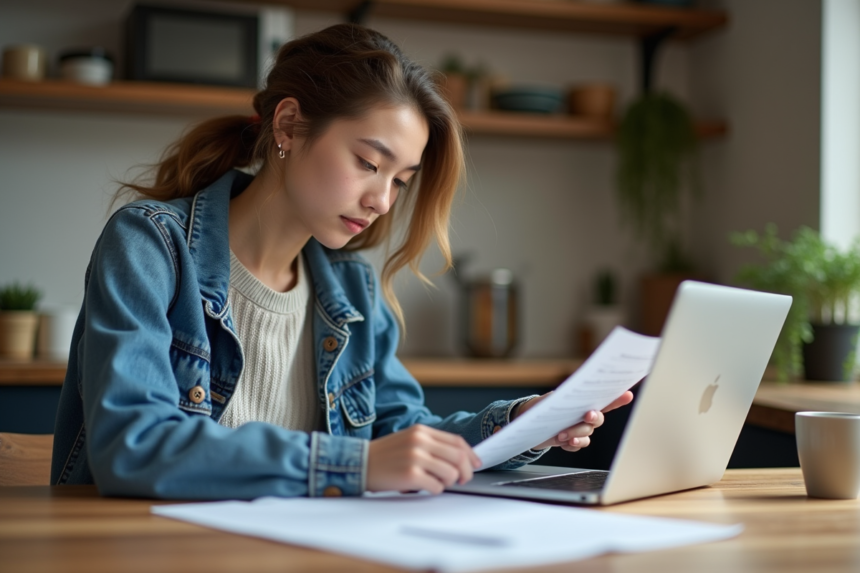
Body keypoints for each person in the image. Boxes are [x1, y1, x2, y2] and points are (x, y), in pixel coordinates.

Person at [50, 23, 632, 499]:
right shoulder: (150, 246)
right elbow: (133, 445)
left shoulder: (350, 285)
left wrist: (524, 424)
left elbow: (402, 436)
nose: (382, 201)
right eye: (367, 162)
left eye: (401, 181)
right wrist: (349, 465)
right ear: (288, 125)